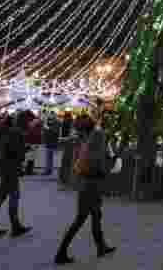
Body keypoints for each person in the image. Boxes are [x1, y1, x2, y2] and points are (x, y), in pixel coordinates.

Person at [54, 100, 117, 264]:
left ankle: (101, 245)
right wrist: (107, 167)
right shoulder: (97, 135)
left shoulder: (85, 137)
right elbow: (98, 159)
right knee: (81, 219)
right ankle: (61, 252)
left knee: (96, 214)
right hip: (91, 183)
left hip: (86, 181)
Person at [0, 113, 32, 238]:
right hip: (11, 169)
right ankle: (15, 226)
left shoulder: (9, 132)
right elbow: (16, 153)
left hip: (5, 168)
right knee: (14, 196)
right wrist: (24, 150)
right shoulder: (16, 133)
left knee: (1, 197)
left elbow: (8, 150)